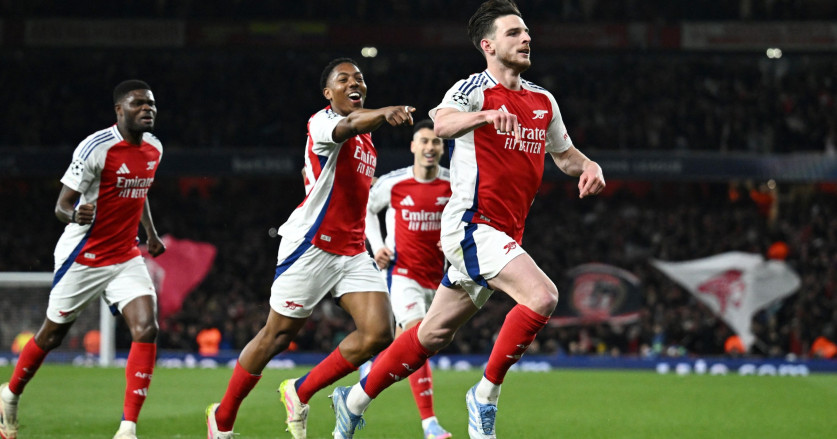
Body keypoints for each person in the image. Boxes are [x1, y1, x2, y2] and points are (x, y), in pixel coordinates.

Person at [329, 2, 606, 438]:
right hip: (472, 226)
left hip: (505, 232)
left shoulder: (542, 101)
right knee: (542, 297)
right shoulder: (473, 89)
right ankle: (485, 396)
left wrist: (588, 165)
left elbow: (564, 154)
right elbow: (441, 124)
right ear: (488, 45)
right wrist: (484, 116)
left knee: (431, 335)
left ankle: (353, 400)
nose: (526, 38)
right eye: (514, 33)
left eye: (527, 31)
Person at [205, 57, 416, 439]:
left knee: (379, 333)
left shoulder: (367, 140)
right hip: (311, 245)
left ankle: (300, 391)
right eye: (344, 79)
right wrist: (385, 112)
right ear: (328, 92)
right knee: (276, 337)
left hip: (351, 250)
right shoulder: (322, 122)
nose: (354, 83)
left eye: (359, 78)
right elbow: (350, 124)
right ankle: (222, 418)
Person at [0, 79, 166, 439]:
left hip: (125, 255)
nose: (147, 109)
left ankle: (127, 429)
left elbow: (140, 192)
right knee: (52, 335)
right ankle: (10, 394)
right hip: (84, 255)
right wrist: (75, 214)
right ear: (119, 110)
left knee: (147, 327)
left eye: (151, 104)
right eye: (138, 103)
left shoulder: (154, 147)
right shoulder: (95, 148)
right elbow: (61, 206)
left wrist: (151, 233)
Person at [364, 119, 452, 439]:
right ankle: (430, 423)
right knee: (419, 338)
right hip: (401, 273)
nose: (430, 147)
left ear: (442, 148)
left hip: (439, 278)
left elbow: (465, 218)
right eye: (424, 141)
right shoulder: (394, 183)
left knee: (406, 347)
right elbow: (366, 209)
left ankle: (368, 375)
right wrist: (377, 246)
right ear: (413, 146)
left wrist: (452, 241)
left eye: (436, 142)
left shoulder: (454, 183)